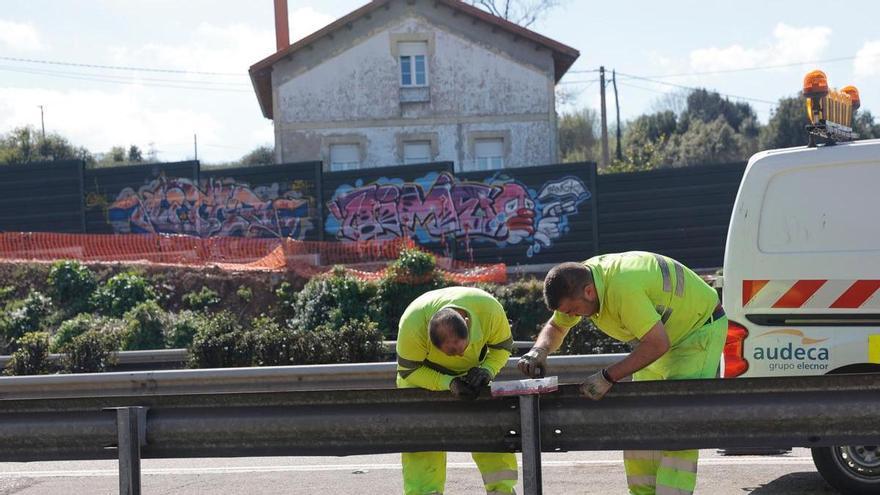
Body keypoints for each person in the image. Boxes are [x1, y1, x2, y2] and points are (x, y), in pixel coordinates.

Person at [517, 252, 726, 495]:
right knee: (641, 423)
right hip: (655, 340)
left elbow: (657, 344)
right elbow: (556, 326)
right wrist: (539, 350)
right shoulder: (578, 281)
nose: (572, 316)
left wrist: (607, 377)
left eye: (574, 310)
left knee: (678, 425)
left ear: (589, 292)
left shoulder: (623, 288)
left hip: (696, 333)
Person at [396, 286, 518, 495]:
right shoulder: (413, 324)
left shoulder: (489, 310)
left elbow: (502, 348)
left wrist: (487, 371)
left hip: (473, 377)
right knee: (424, 444)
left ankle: (502, 490)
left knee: (490, 436)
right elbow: (409, 370)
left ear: (468, 324)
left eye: (461, 349)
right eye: (449, 353)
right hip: (422, 376)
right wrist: (449, 382)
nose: (458, 356)